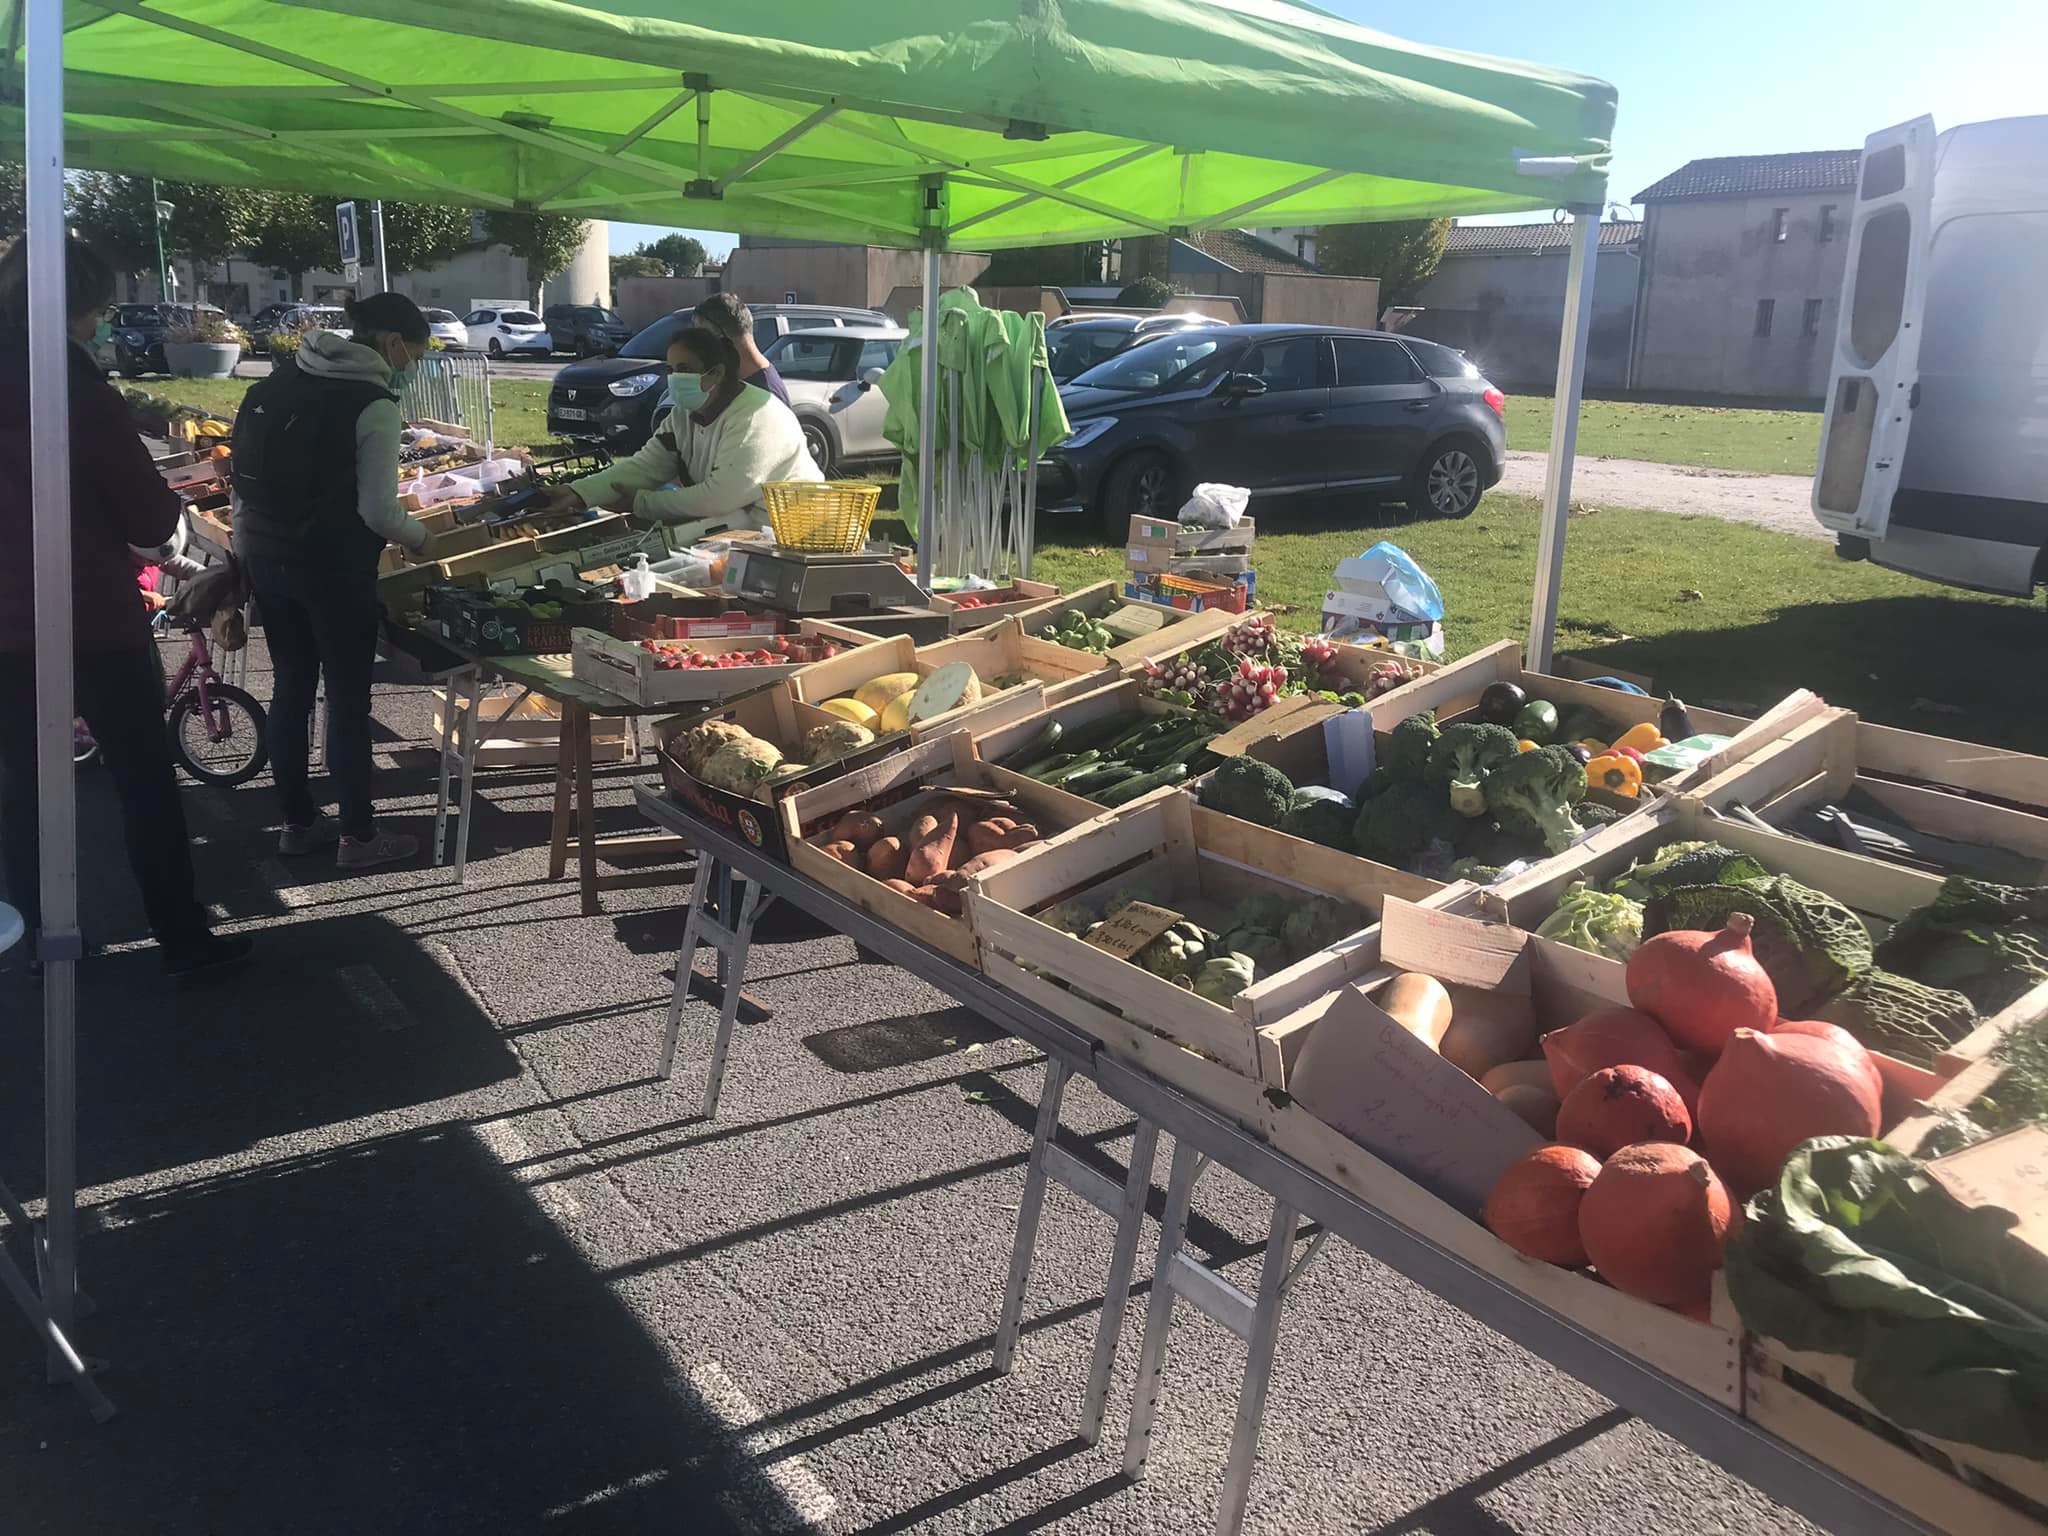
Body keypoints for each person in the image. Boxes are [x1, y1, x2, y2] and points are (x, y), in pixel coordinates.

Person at [0, 231, 250, 977]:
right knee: (142, 777)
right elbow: (145, 518)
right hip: (87, 614)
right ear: (85, 308)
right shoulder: (70, 386)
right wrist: (166, 541)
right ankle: (180, 936)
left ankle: (35, 940)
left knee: (17, 786)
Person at [231, 292, 432, 870]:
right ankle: (359, 837)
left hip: (269, 561)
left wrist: (246, 557)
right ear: (394, 343)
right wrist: (423, 539)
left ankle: (297, 823)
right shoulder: (373, 405)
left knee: (291, 689)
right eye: (413, 354)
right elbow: (378, 513)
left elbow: (240, 486)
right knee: (347, 702)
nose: (410, 366)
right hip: (336, 567)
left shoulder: (271, 386)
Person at [542, 325, 819, 527]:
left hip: (795, 532)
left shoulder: (758, 417)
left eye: (684, 369)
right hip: (741, 528)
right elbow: (647, 466)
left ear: (717, 374)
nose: (675, 379)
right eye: (671, 370)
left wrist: (642, 504)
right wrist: (578, 493)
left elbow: (719, 497)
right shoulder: (683, 415)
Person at [692, 293, 790, 407]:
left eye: (700, 336)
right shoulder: (735, 382)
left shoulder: (765, 398)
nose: (697, 345)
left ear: (720, 335)